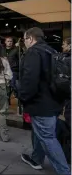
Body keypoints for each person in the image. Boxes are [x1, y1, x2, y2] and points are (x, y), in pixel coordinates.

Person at [19, 27, 70, 174]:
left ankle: (64, 171)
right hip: (54, 101)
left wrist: (23, 98)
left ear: (30, 38)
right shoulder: (51, 51)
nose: (24, 43)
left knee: (47, 137)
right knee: (39, 132)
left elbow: (29, 80)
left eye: (24, 40)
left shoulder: (33, 52)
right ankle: (36, 159)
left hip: (41, 104)